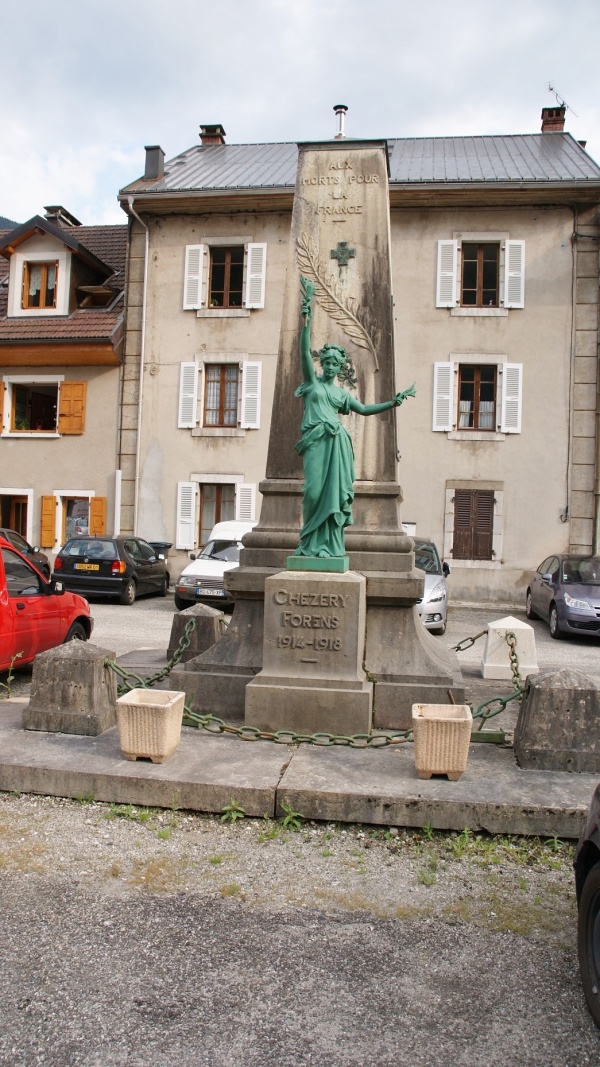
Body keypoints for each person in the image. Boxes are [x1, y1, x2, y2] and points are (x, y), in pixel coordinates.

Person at [294, 278, 415, 558]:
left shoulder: (340, 395)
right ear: (322, 363)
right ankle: (309, 544)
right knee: (312, 492)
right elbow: (303, 351)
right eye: (328, 362)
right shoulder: (312, 384)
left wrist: (392, 403)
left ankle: (327, 546)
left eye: (337, 363)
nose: (332, 366)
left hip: (337, 443)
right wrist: (306, 320)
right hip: (315, 442)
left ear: (340, 367)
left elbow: (363, 410)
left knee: (334, 495)